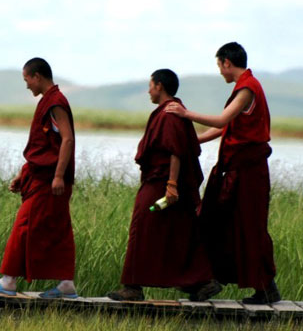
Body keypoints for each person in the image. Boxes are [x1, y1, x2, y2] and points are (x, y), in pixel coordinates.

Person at [166, 42, 280, 304]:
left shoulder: (248, 89)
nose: (219, 71)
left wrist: (185, 114)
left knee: (250, 228)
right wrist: (194, 142)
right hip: (234, 169)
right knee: (214, 220)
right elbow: (225, 128)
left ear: (227, 62)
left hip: (248, 171)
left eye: (219, 65)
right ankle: (207, 279)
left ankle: (265, 288)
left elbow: (221, 120)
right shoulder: (244, 89)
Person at [108, 69, 220, 302]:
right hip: (166, 182)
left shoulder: (169, 114)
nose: (148, 90)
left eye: (150, 85)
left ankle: (133, 287)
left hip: (162, 183)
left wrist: (171, 184)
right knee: (180, 231)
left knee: (141, 224)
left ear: (159, 86)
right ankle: (202, 282)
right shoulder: (169, 111)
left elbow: (175, 150)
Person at [0, 58, 78, 298]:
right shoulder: (48, 101)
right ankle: (66, 285)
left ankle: (9, 281)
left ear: (37, 76)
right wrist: (22, 174)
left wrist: (57, 176)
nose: (27, 86)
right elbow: (44, 146)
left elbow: (67, 139)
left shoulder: (56, 103)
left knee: (24, 225)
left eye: (27, 80)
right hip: (39, 177)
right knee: (58, 229)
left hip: (50, 182)